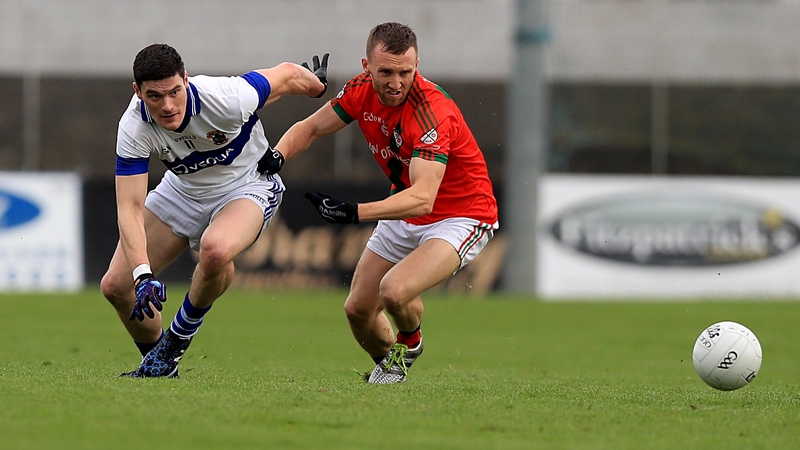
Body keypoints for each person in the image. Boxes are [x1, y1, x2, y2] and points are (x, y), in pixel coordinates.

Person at [265, 22, 499, 384]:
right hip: (404, 206)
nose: (395, 83)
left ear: (417, 65)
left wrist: (355, 213)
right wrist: (276, 157)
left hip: (460, 215)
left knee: (394, 290)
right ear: (366, 66)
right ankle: (390, 368)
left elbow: (423, 199)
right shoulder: (359, 91)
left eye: (405, 72)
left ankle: (410, 343)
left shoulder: (432, 113)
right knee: (358, 310)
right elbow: (310, 127)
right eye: (385, 72)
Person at [100, 43, 328, 378]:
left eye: (174, 92)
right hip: (182, 190)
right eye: (154, 96)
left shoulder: (226, 96)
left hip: (248, 185)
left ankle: (173, 347)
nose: (167, 106)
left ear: (186, 80)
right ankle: (159, 365)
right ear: (137, 91)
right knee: (116, 287)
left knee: (216, 249)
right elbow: (130, 207)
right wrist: (142, 275)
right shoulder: (134, 127)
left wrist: (316, 86)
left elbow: (287, 76)